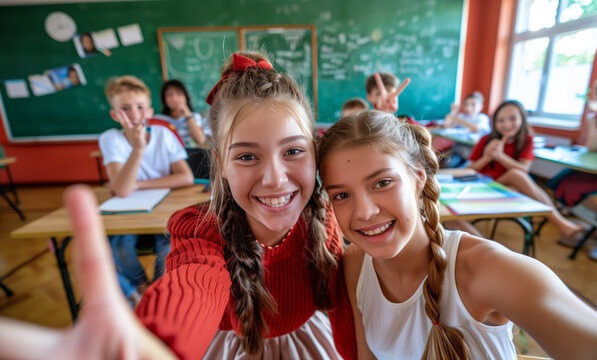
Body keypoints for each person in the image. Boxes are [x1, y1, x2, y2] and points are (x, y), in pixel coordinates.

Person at [0, 52, 356, 360]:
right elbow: (194, 283)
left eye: (293, 151)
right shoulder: (201, 232)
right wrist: (153, 342)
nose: (275, 178)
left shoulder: (325, 218)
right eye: (247, 156)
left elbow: (345, 300)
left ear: (314, 152)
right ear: (221, 164)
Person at [318, 110, 597, 359]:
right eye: (342, 195)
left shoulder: (487, 269)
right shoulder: (354, 263)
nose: (364, 212)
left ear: (418, 178)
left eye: (382, 182)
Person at [99, 75, 194, 304]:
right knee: (120, 247)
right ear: (115, 114)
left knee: (168, 247)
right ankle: (142, 289)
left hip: (163, 208)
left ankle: (158, 292)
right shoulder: (110, 139)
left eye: (140, 107)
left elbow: (186, 177)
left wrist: (138, 185)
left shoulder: (164, 135)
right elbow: (122, 191)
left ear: (149, 112)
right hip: (128, 210)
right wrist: (138, 148)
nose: (134, 114)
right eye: (125, 108)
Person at [468, 100, 583, 242]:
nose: (507, 124)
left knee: (516, 182)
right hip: (483, 186)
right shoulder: (486, 139)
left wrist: (500, 156)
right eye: (501, 120)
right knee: (516, 176)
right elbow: (470, 170)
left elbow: (524, 168)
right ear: (494, 123)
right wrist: (487, 156)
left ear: (522, 119)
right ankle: (561, 223)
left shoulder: (527, 140)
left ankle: (487, 243)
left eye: (512, 118)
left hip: (509, 189)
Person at [548, 74, 597, 261]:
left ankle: (595, 231)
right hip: (593, 169)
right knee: (561, 183)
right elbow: (591, 146)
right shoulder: (595, 117)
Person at [156, 79, 209, 148]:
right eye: (169, 94)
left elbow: (201, 139)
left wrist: (188, 115)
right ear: (164, 99)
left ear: (185, 96)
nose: (174, 98)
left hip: (189, 154)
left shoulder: (194, 116)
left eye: (179, 93)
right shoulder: (159, 119)